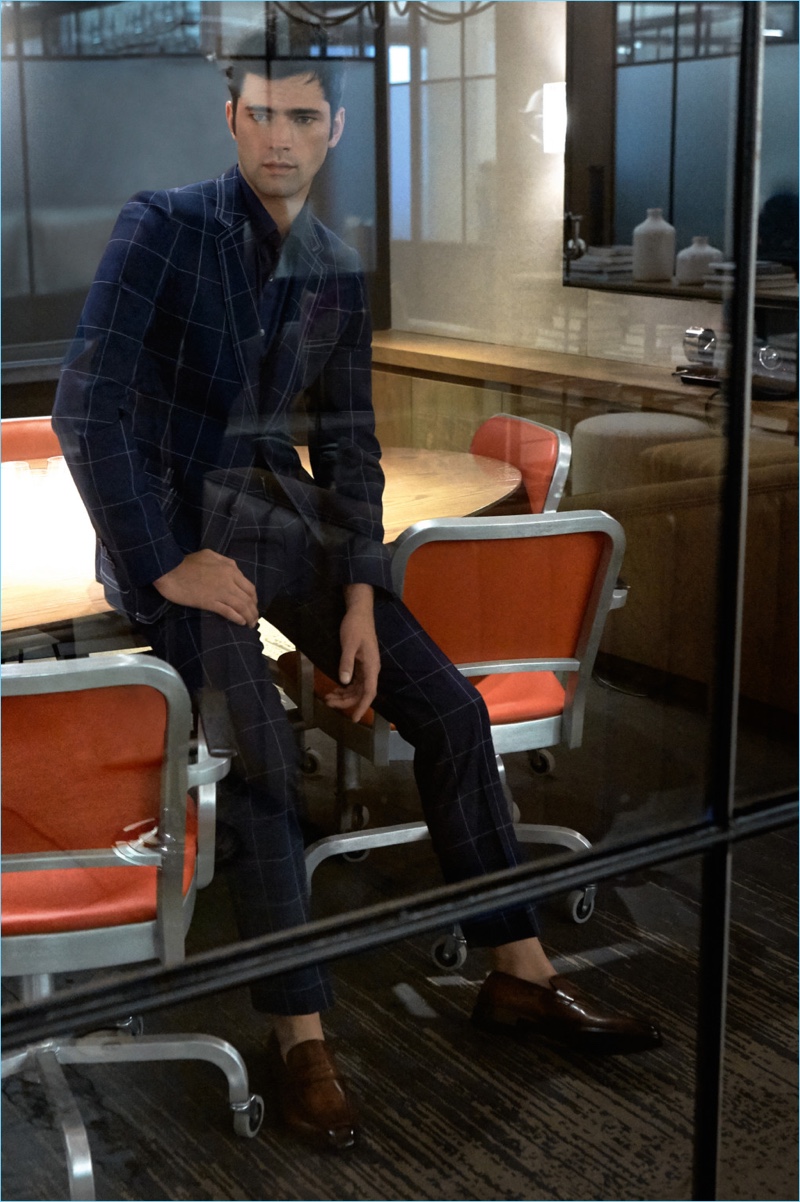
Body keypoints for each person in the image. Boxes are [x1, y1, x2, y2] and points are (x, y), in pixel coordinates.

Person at [52, 30, 661, 1151]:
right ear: (230, 120)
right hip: (174, 537)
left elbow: (349, 443)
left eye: (302, 117)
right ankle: (301, 1036)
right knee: (265, 755)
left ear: (332, 128)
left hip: (278, 521)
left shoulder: (333, 262)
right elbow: (86, 408)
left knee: (452, 709)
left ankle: (519, 969)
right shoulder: (163, 226)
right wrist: (164, 563)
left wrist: (364, 598)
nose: (279, 138)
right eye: (260, 115)